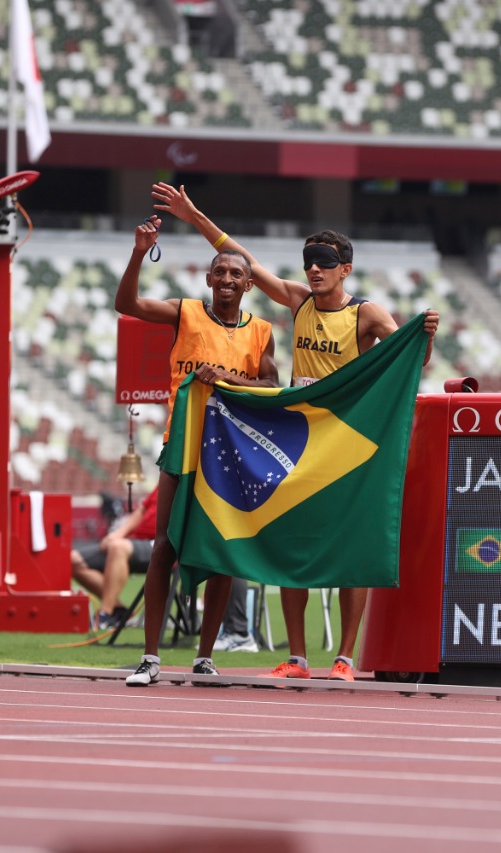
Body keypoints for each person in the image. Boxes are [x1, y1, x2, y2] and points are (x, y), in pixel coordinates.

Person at [153, 181, 439, 683]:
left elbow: (406, 363)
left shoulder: (365, 314)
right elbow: (238, 256)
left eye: (324, 262)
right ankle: (298, 658)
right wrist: (194, 215)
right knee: (290, 536)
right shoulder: (297, 300)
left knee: (353, 542)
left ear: (344, 269)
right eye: (310, 261)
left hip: (346, 437)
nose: (314, 269)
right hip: (298, 432)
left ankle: (346, 659)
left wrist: (426, 336)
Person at [117, 215, 281, 687]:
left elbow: (271, 382)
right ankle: (149, 658)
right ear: (209, 279)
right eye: (220, 273)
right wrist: (138, 251)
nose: (227, 280)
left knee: (223, 551)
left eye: (236, 274)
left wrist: (229, 377)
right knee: (164, 545)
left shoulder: (261, 331)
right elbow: (125, 303)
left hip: (230, 453)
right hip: (182, 443)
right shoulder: (186, 313)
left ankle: (205, 658)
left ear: (249, 285)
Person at [71, 485, 158, 630]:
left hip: (161, 543)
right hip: (132, 540)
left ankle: (105, 613)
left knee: (118, 548)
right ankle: (119, 612)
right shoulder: (168, 477)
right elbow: (142, 509)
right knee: (73, 559)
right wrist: (117, 534)